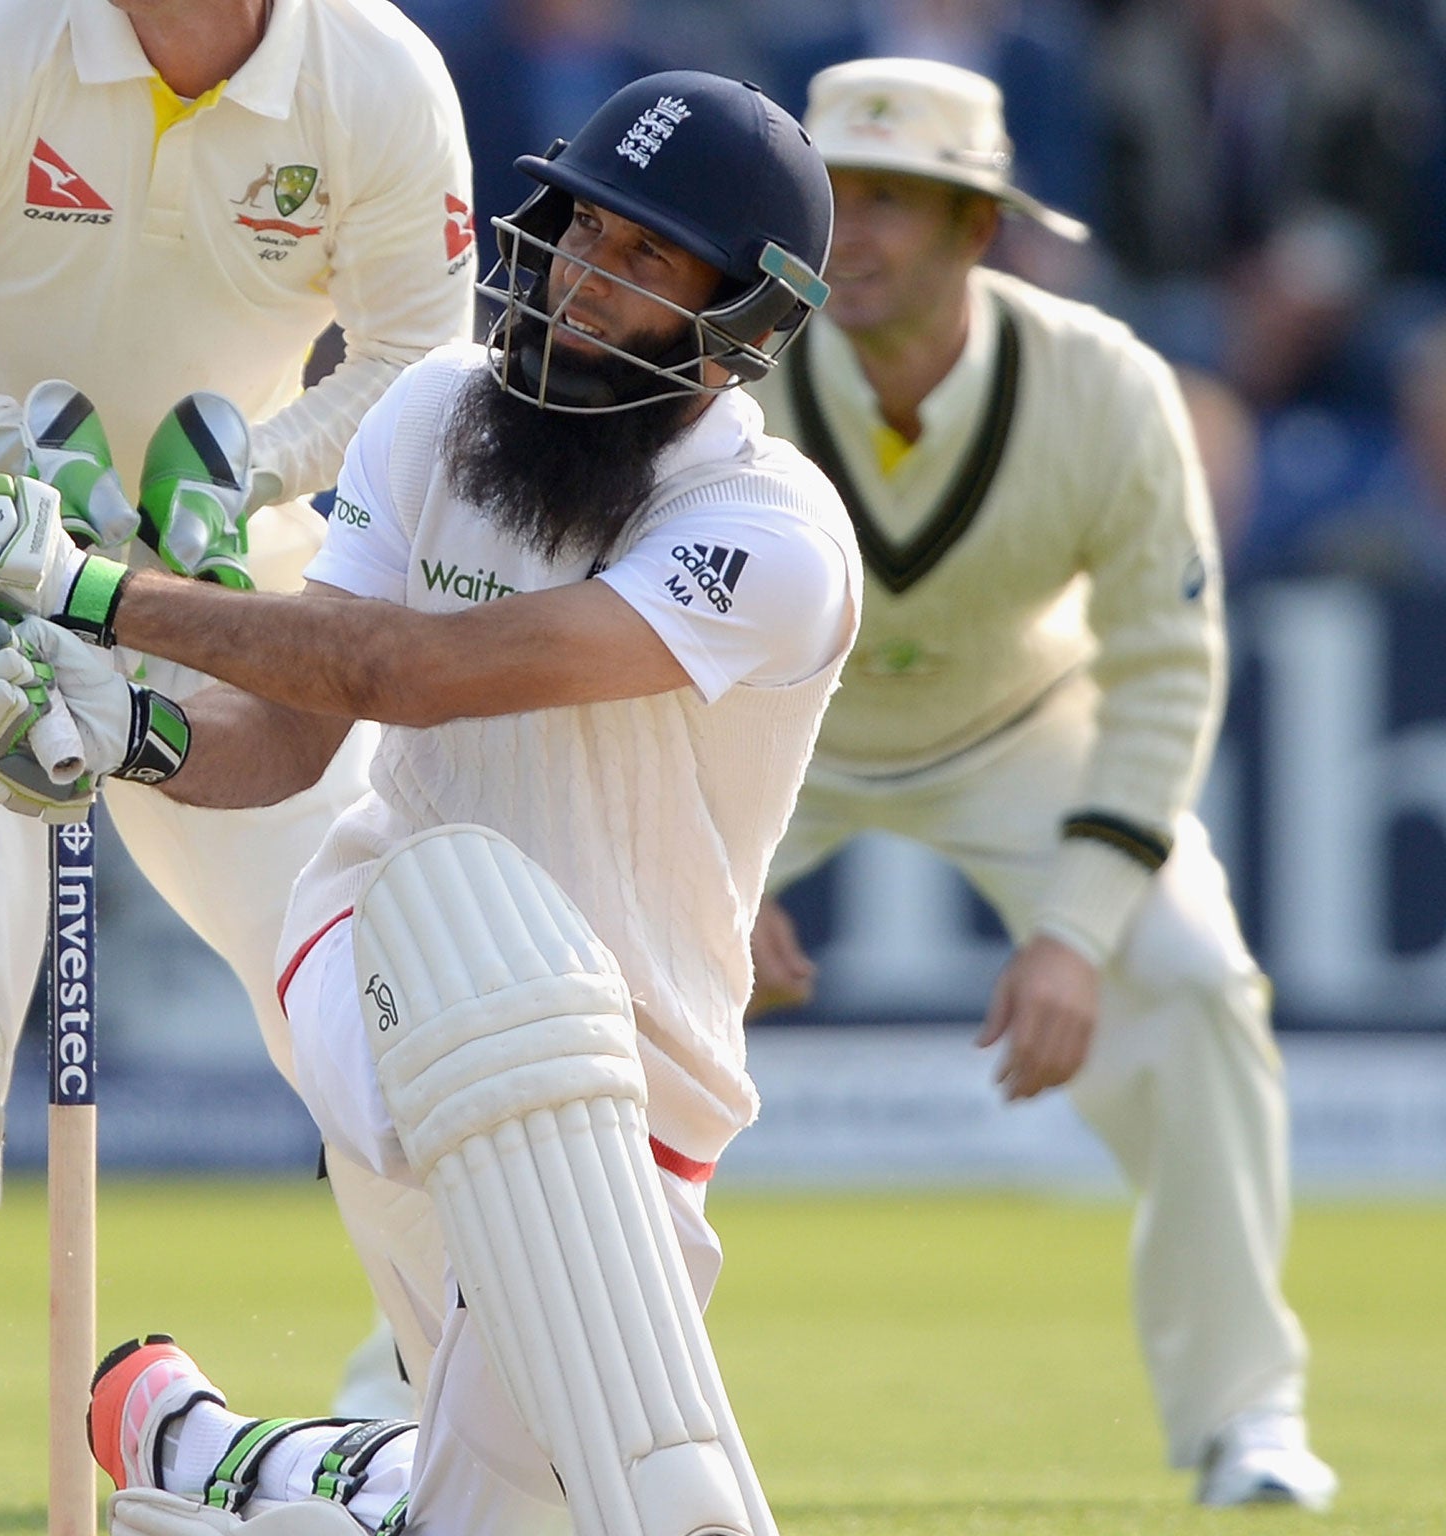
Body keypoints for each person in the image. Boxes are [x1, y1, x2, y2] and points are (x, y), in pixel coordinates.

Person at [0, 67, 855, 1536]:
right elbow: (290, 738)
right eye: (584, 230)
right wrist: (122, 736)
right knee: (496, 964)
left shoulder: (767, 539)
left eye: (646, 258)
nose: (585, 278)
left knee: (506, 1514)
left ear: (738, 328)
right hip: (385, 953)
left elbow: (408, 669)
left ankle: (210, 1453)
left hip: (649, 1082)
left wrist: (88, 591)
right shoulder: (432, 413)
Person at [0, 0, 473, 1530]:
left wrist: (251, 470)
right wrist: (7, 465)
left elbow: (427, 358)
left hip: (236, 603)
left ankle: (472, 1440)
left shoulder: (376, 74)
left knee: (392, 989)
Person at [740, 58, 1336, 1510]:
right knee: (560, 1005)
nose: (856, 235)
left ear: (979, 232)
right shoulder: (728, 369)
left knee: (1195, 982)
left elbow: (1167, 663)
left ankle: (1246, 1418)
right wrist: (711, 868)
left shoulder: (1108, 386)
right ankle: (419, 1393)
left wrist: (1074, 928)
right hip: (756, 739)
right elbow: (629, 625)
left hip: (1023, 725)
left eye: (901, 201)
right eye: (835, 196)